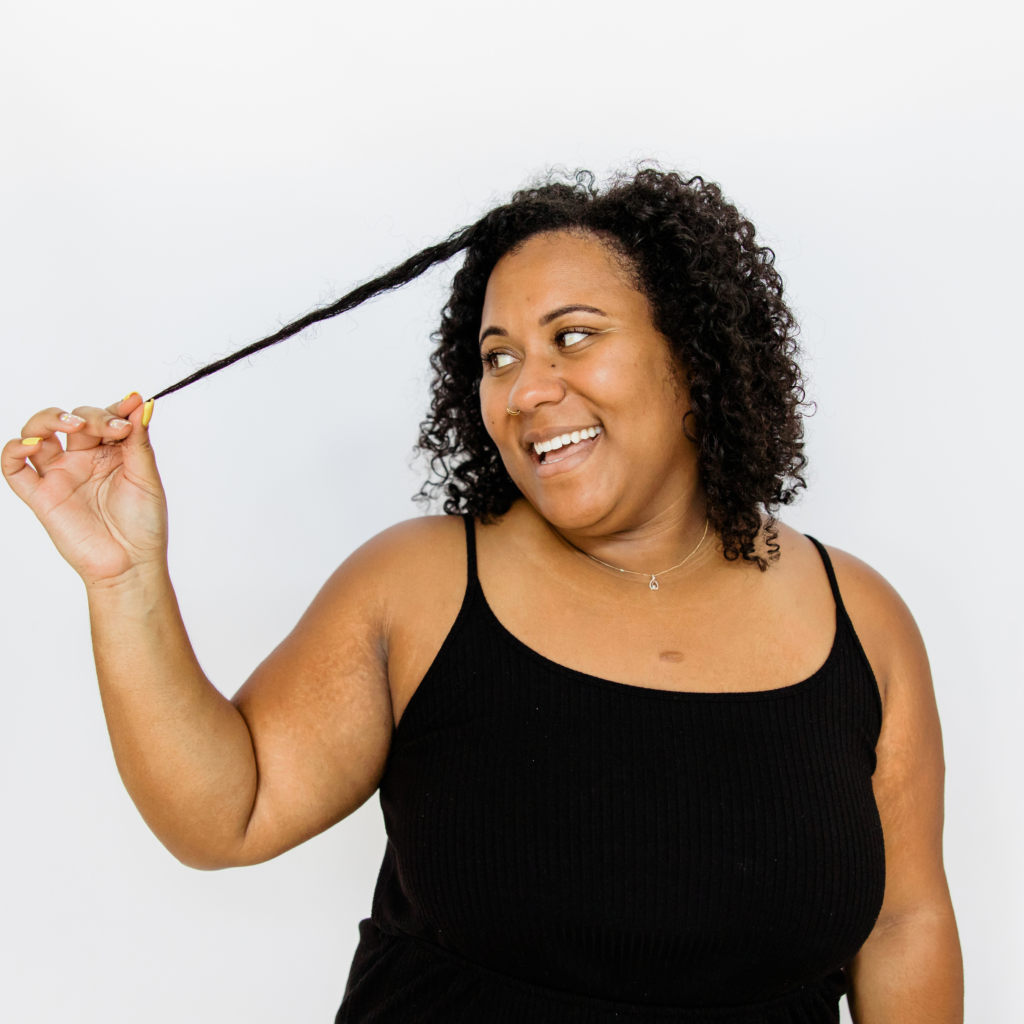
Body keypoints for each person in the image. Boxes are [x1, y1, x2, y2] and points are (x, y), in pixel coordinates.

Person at [2, 169, 962, 1023]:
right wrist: (123, 577)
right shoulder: (418, 585)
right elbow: (228, 814)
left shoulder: (861, 622)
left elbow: (905, 923)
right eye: (498, 356)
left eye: (573, 339)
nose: (525, 390)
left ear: (694, 359)